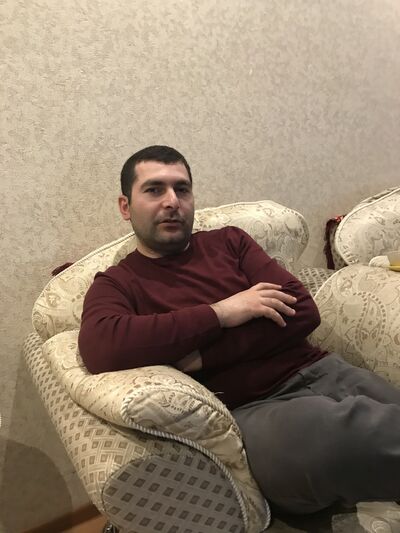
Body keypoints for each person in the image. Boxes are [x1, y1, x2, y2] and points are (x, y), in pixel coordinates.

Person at [79, 145, 400, 515]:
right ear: (125, 206)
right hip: (253, 409)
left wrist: (204, 355)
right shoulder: (118, 283)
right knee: (355, 436)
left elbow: (301, 309)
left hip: (322, 369)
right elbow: (102, 346)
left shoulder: (229, 242)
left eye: (182, 189)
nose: (172, 201)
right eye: (154, 190)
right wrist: (222, 312)